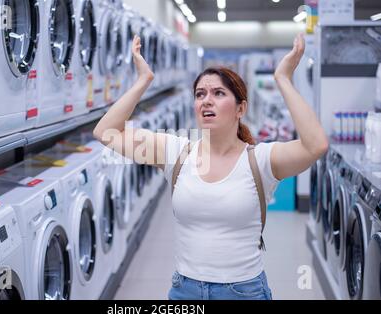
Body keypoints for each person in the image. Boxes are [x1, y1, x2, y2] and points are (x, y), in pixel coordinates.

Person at [93, 34, 328, 300]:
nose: (206, 100)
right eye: (200, 94)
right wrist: (143, 81)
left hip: (243, 292)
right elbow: (105, 132)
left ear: (241, 109)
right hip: (184, 290)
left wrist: (283, 79)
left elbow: (315, 145)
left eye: (218, 93)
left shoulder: (260, 160)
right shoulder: (175, 152)